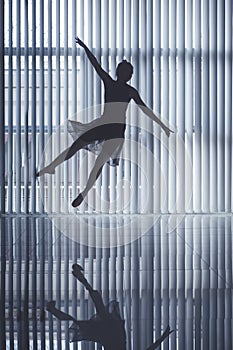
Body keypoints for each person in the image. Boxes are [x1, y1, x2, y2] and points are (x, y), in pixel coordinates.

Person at [37, 37, 173, 207]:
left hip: (112, 129)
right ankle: (54, 168)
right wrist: (85, 47)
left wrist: (163, 126)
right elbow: (96, 64)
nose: (130, 75)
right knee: (83, 150)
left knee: (92, 157)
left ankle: (77, 187)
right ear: (121, 73)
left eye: (130, 73)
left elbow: (145, 109)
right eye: (128, 72)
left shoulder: (122, 88)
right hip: (110, 127)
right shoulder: (121, 87)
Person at [46, 264, 173, 349]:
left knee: (91, 310)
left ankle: (80, 279)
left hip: (111, 332)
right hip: (111, 332)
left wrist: (163, 337)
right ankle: (79, 279)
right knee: (85, 316)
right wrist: (163, 337)